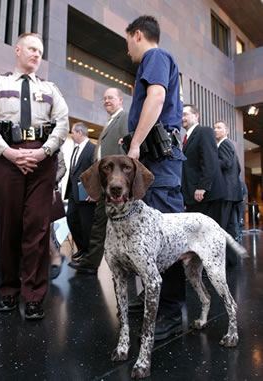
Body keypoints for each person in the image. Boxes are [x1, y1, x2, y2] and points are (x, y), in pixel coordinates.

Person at [0, 33, 69, 319]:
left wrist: (43, 152)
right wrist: (8, 152)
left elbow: (63, 122)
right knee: (9, 229)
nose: (36, 54)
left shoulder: (51, 89)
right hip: (7, 159)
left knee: (37, 231)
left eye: (40, 51)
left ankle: (33, 296)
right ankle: (8, 290)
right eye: (31, 48)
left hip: (42, 160)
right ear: (17, 50)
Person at [125, 15, 187, 341]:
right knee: (151, 234)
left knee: (165, 235)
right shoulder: (155, 59)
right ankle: (155, 297)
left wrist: (135, 143)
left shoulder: (155, 56)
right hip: (155, 160)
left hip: (158, 160)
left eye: (127, 43)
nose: (128, 51)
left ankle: (171, 310)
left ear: (138, 35)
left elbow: (157, 97)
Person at [68, 87, 128, 274]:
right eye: (104, 98)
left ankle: (125, 265)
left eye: (110, 98)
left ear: (120, 100)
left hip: (117, 185)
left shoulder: (124, 118)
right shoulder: (108, 123)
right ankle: (91, 262)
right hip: (105, 184)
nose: (106, 101)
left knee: (121, 225)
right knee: (99, 223)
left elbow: (127, 152)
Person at [181, 104, 225, 223]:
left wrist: (202, 186)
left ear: (196, 116)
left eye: (185, 114)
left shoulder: (204, 131)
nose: (182, 118)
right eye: (180, 114)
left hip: (205, 196)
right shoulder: (186, 138)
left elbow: (209, 160)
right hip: (194, 196)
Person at [214, 120, 243, 265]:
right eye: (214, 128)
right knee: (230, 227)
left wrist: (210, 162)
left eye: (219, 128)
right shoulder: (230, 145)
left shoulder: (224, 144)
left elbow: (226, 163)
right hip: (232, 193)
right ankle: (232, 261)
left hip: (225, 193)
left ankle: (221, 262)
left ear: (227, 131)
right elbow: (237, 168)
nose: (215, 130)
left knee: (222, 228)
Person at [66, 123, 96, 261]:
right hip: (73, 193)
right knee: (71, 220)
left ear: (79, 133)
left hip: (86, 194)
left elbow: (96, 172)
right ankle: (82, 248)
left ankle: (88, 254)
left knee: (86, 225)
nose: (71, 134)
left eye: (72, 132)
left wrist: (94, 192)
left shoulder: (93, 149)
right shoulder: (75, 149)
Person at [50, 150, 67, 280]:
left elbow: (63, 168)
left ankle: (55, 254)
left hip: (49, 189)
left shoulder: (57, 151)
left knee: (45, 228)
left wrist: (52, 179)